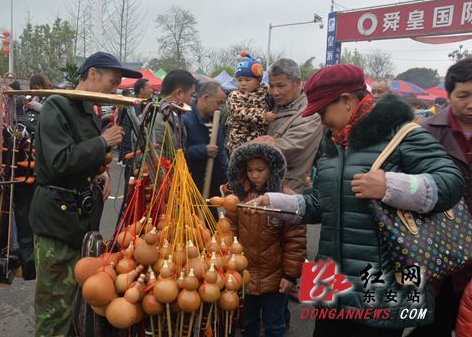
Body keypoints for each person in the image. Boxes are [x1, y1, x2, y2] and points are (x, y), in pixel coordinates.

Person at [248, 64, 465, 337]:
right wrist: (276, 202)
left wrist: (391, 185)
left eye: (322, 111)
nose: (320, 120)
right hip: (331, 284)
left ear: (347, 101)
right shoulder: (334, 142)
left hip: (379, 286)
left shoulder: (401, 134)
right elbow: (319, 203)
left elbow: (451, 183)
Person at [28, 51, 141, 337]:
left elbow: (81, 158)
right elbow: (59, 161)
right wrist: (103, 141)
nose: (114, 90)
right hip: (57, 221)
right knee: (54, 310)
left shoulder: (87, 110)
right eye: (112, 82)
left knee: (76, 304)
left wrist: (98, 173)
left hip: (79, 220)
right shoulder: (58, 106)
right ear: (92, 74)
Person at [224, 142, 306, 337]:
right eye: (250, 170)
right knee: (248, 323)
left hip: (276, 278)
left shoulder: (285, 199)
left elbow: (296, 241)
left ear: (273, 169)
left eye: (260, 170)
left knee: (274, 325)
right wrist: (230, 265)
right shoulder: (238, 198)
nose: (254, 175)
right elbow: (229, 231)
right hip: (246, 275)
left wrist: (290, 275)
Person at [416, 57, 472, 337]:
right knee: (433, 319)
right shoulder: (427, 132)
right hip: (439, 246)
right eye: (464, 95)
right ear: (448, 94)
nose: (471, 104)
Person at [254, 58, 323, 193]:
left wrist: (252, 147)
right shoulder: (274, 105)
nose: (274, 92)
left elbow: (290, 147)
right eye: (271, 86)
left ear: (297, 83)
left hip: (287, 190)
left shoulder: (310, 113)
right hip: (263, 186)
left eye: (280, 86)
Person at [182, 80, 227, 201]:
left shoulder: (216, 122)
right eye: (219, 103)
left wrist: (224, 182)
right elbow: (179, 153)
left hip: (212, 192)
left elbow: (221, 154)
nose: (220, 108)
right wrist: (203, 150)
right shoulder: (185, 119)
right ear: (206, 97)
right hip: (190, 188)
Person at [226, 52, 273, 154]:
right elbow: (239, 112)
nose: (243, 83)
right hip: (240, 142)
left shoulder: (264, 90)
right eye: (239, 80)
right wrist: (263, 116)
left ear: (259, 80)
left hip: (260, 141)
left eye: (247, 80)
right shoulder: (234, 95)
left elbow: (274, 92)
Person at [152, 70, 196, 153]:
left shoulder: (173, 116)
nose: (192, 100)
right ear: (179, 94)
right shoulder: (157, 121)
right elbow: (156, 162)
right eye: (191, 95)